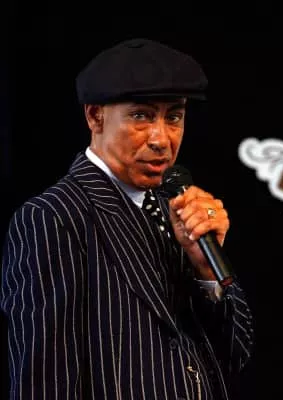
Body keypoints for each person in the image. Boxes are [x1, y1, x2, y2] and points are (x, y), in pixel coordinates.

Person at [0, 38, 254, 399]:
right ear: (95, 116)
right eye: (141, 116)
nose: (161, 139)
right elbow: (44, 384)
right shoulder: (54, 217)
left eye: (174, 117)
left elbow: (235, 355)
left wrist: (206, 272)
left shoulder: (177, 210)